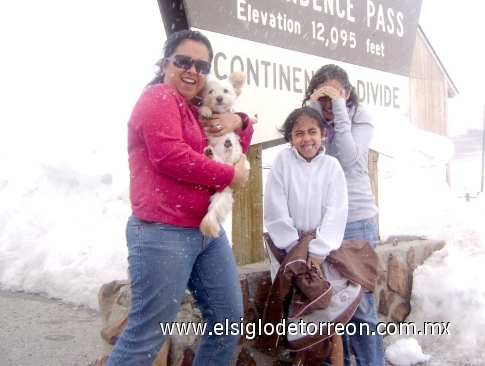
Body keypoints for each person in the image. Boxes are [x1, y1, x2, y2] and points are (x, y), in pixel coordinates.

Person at [106, 30, 253, 366]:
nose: (192, 70)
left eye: (201, 65)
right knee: (147, 334)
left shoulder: (193, 109)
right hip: (163, 230)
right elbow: (170, 156)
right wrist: (231, 175)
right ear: (165, 63)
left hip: (206, 233)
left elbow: (233, 145)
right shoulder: (158, 97)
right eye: (183, 61)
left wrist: (239, 120)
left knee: (227, 323)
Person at [303, 64, 384, 366]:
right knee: (329, 309)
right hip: (323, 227)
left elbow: (349, 157)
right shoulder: (313, 124)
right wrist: (313, 109)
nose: (327, 104)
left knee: (361, 308)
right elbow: (311, 157)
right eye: (322, 96)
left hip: (355, 223)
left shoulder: (360, 117)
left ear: (347, 93)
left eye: (334, 95)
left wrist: (339, 109)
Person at [263, 107, 349, 365]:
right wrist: (296, 250)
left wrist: (318, 251)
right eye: (298, 133)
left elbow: (337, 210)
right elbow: (275, 209)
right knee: (296, 315)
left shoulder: (332, 166)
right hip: (288, 252)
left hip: (324, 253)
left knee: (330, 318)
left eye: (312, 131)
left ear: (323, 134)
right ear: (290, 138)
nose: (306, 138)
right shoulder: (282, 161)